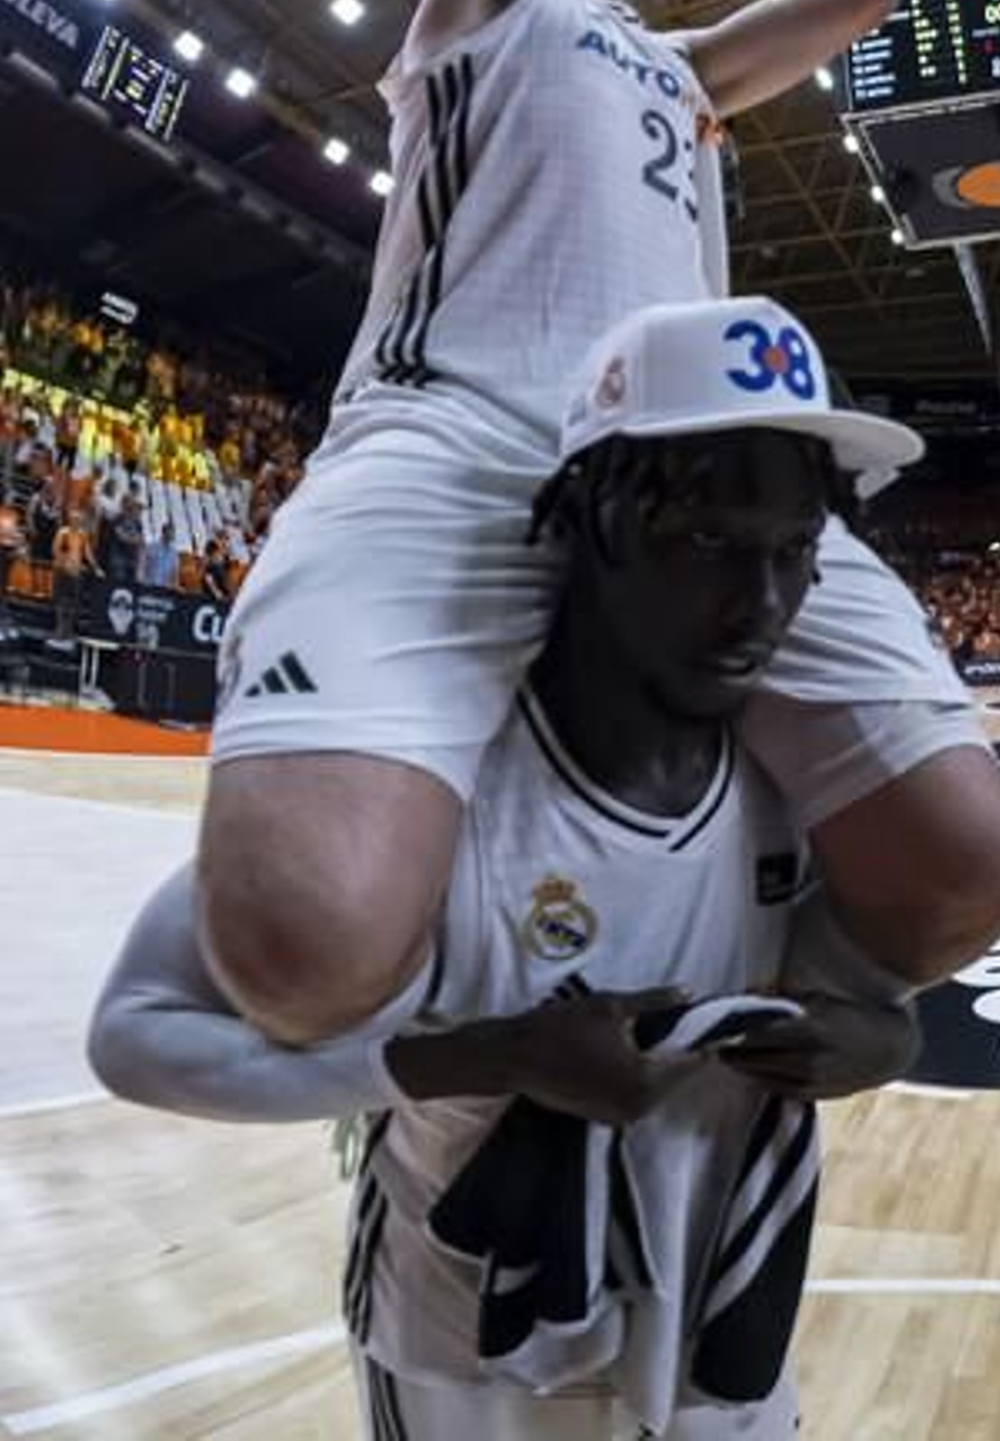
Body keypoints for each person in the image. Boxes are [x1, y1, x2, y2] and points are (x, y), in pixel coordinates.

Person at [198, 0, 1000, 1052]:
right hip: (455, 442)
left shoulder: (686, 66)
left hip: (681, 482)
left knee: (970, 870)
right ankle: (455, 1038)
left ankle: (740, 957)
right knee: (303, 945)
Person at [91, 297, 925, 1440]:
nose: (763, 605)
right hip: (458, 1352)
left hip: (718, 1327)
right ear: (586, 520)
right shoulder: (423, 796)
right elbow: (134, 1032)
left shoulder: (802, 780)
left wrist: (888, 1040)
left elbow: (876, 1007)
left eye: (793, 552)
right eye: (707, 544)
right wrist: (480, 1059)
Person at [51, 510, 101, 642]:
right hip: (62, 571)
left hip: (76, 573)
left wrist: (96, 567)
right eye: (75, 520)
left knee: (73, 602)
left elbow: (88, 553)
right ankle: (59, 629)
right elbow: (56, 551)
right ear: (70, 520)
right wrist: (65, 565)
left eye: (79, 521)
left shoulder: (82, 535)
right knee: (61, 601)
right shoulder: (63, 533)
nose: (77, 523)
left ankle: (68, 630)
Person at [139, 520, 180, 592]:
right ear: (163, 533)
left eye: (172, 533)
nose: (171, 535)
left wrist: (175, 587)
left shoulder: (174, 554)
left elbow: (175, 575)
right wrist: (141, 581)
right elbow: (142, 565)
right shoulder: (151, 547)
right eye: (169, 532)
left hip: (164, 590)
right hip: (149, 587)